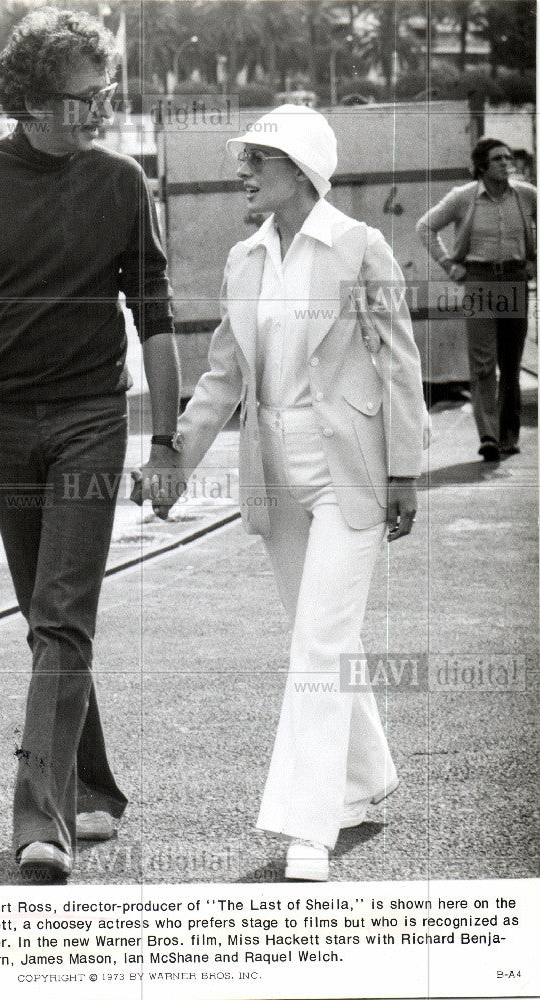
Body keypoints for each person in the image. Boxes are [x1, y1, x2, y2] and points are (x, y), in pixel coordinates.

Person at [0, 8, 180, 883]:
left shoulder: (120, 183)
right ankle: (97, 788)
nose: (101, 108)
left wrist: (166, 438)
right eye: (84, 96)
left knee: (62, 613)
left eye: (105, 92)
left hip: (89, 421)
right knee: (48, 618)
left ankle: (43, 821)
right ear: (32, 100)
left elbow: (155, 318)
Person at [136, 106, 426, 881]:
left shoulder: (361, 250)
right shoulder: (243, 260)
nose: (243, 171)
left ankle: (308, 827)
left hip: (352, 473)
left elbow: (398, 365)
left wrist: (404, 469)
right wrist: (176, 460)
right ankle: (361, 782)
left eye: (257, 160)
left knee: (317, 646)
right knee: (321, 636)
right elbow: (224, 375)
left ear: (299, 171)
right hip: (276, 471)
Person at [417, 137, 536, 460]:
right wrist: (448, 266)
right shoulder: (463, 198)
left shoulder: (526, 195)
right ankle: (488, 437)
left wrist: (534, 262)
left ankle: (508, 436)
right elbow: (425, 226)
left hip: (514, 279)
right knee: (483, 363)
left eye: (508, 158)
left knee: (510, 364)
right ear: (482, 165)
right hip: (479, 281)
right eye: (498, 158)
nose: (505, 163)